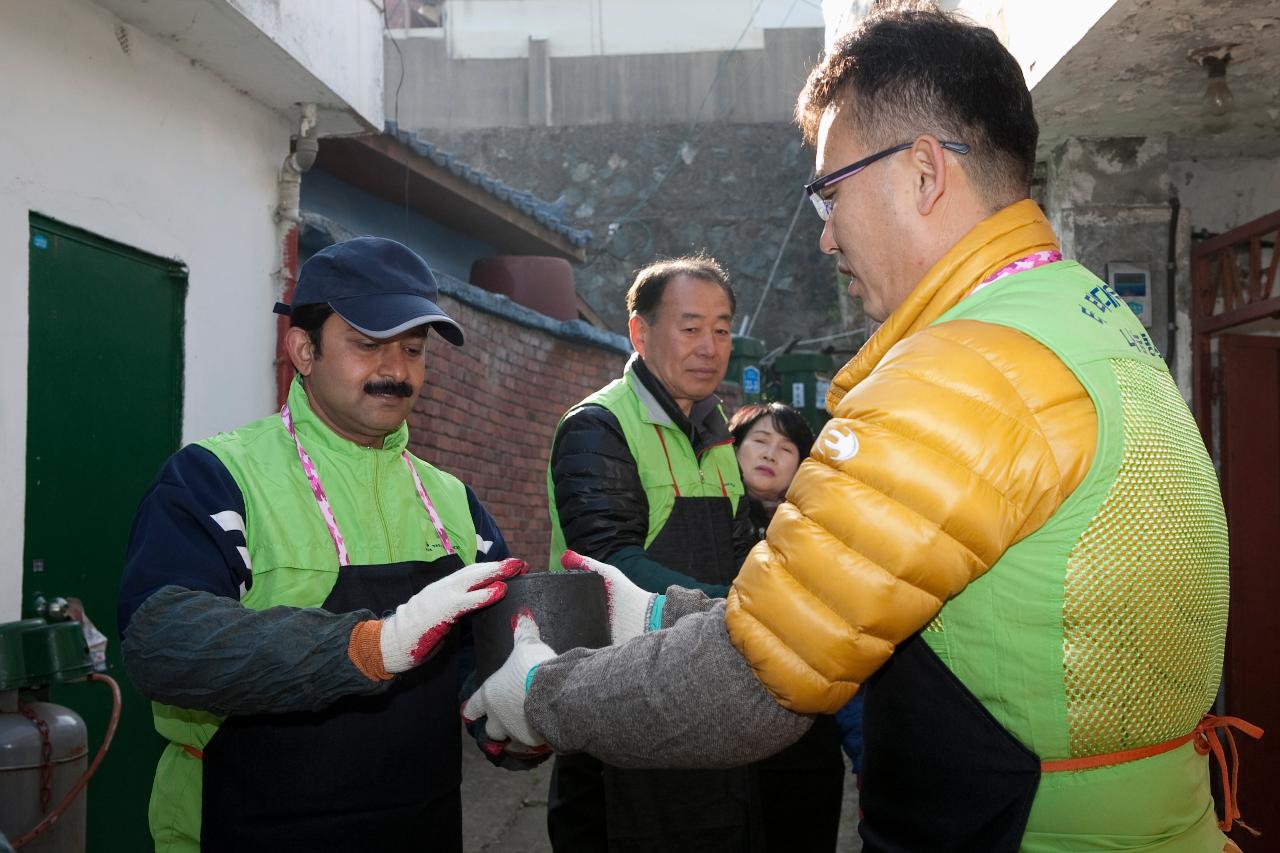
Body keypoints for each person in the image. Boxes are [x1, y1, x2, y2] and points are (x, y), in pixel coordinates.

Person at [465, 5, 1255, 852]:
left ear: (922, 172)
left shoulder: (961, 372)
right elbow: (846, 599)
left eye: (831, 192)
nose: (826, 234)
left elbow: (756, 681)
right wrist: (665, 615)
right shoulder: (1081, 316)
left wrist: (544, 691)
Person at [118, 237, 526, 853]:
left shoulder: (454, 502)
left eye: (413, 351)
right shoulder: (216, 477)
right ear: (303, 349)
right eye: (367, 345)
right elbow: (165, 641)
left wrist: (516, 719)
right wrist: (371, 647)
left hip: (423, 825)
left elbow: (479, 659)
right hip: (244, 829)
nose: (396, 371)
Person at [542, 255, 759, 851]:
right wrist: (742, 612)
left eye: (722, 329)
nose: (710, 346)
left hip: (707, 696)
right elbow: (609, 561)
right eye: (690, 328)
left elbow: (742, 554)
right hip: (618, 704)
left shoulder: (718, 438)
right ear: (640, 331)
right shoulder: (598, 426)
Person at [728, 403, 846, 851]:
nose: (770, 454)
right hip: (726, 721)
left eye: (786, 447)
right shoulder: (707, 521)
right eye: (759, 440)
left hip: (804, 728)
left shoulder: (820, 530)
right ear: (734, 448)